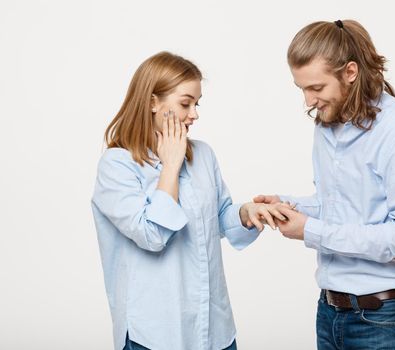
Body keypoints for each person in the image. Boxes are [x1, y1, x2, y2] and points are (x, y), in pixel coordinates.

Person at [254, 20, 395, 349]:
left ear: (350, 72)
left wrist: (310, 230)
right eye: (302, 89)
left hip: (384, 318)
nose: (308, 100)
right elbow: (346, 207)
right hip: (329, 311)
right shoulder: (328, 126)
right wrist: (288, 206)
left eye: (316, 88)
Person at [91, 51, 285, 350]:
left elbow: (219, 216)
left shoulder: (203, 154)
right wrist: (170, 165)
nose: (194, 114)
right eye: (185, 103)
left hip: (214, 329)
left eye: (197, 103)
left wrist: (248, 212)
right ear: (152, 102)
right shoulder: (117, 165)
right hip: (154, 334)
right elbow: (152, 236)